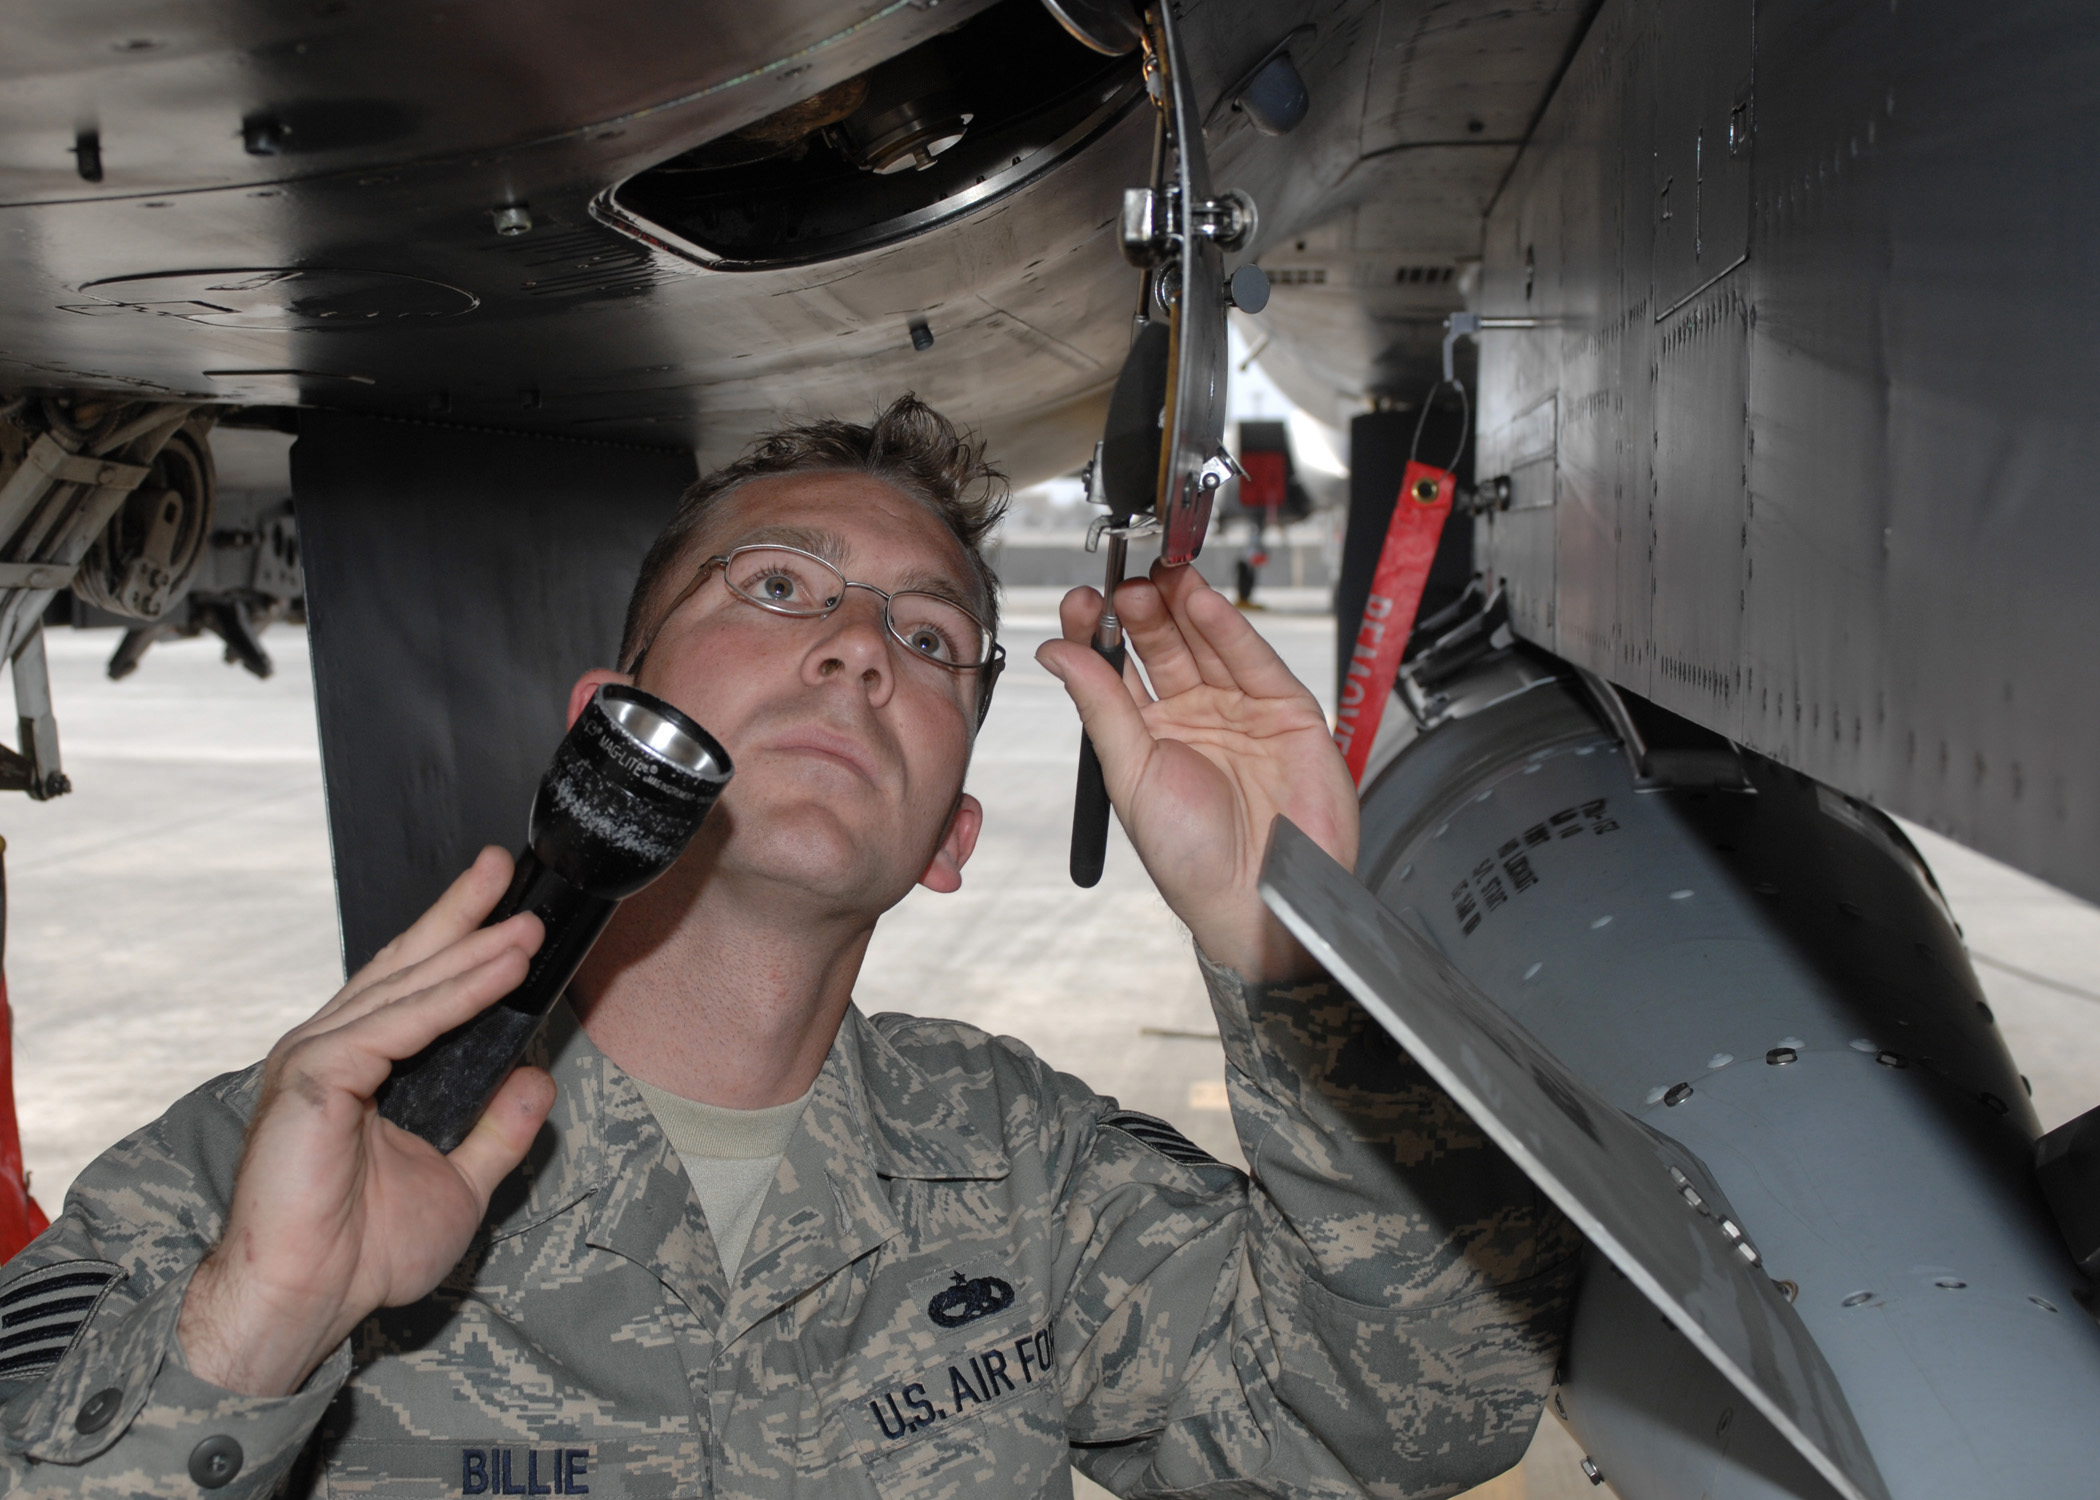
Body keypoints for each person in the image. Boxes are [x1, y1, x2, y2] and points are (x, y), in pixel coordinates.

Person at [0, 397, 1575, 1499]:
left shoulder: (1025, 1180)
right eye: (776, 588)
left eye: (930, 639)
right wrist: (256, 1327)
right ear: (603, 725)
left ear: (949, 838)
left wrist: (1294, 964)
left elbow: (1424, 1410)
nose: (854, 650)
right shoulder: (278, 1159)